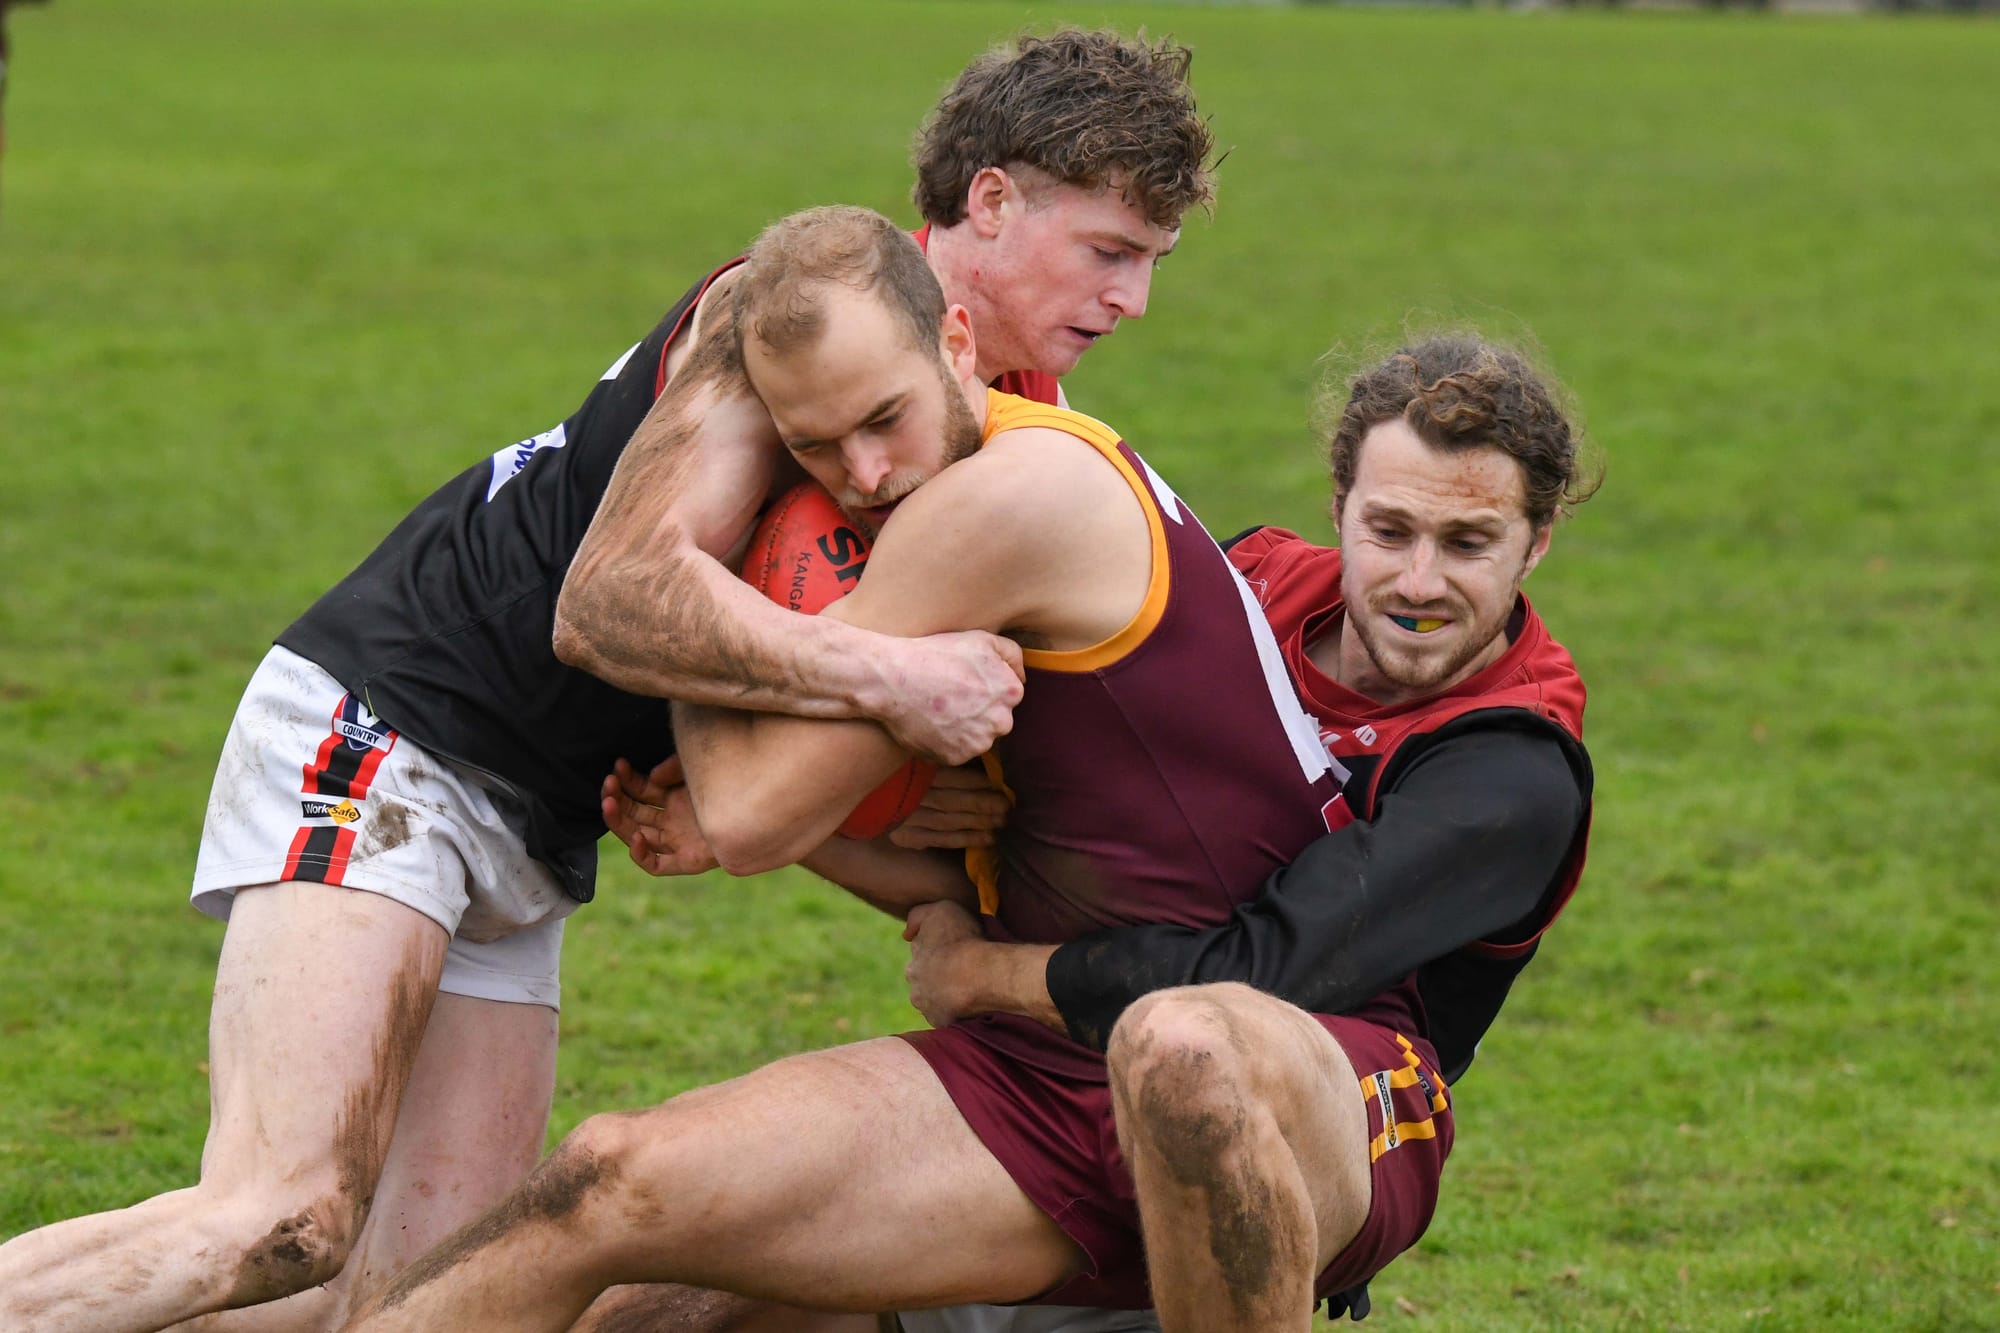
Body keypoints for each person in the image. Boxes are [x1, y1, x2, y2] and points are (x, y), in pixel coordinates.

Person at [0, 29, 1210, 1333]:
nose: (1134, 298)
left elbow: (789, 745)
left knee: (416, 1304)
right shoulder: (796, 315)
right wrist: (883, 673)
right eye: (1109, 250)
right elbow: (613, 597)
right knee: (279, 1216)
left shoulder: (1002, 416)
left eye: (1151, 260)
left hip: (532, 825)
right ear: (992, 201)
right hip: (393, 731)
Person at [333, 203, 1351, 1332]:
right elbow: (966, 881)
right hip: (1044, 1055)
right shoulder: (965, 482)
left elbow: (746, 813)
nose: (862, 473)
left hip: (1257, 1071)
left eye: (883, 419)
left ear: (957, 344)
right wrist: (810, 809)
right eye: (812, 445)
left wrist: (712, 561)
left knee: (596, 1210)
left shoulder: (1000, 499)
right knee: (615, 1218)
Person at [597, 332, 1600, 1329]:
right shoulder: (1251, 580)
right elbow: (1046, 782)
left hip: (1300, 1103)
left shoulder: (1511, 766)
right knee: (657, 1304)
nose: (1418, 582)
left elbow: (1261, 971)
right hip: (1060, 1061)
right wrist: (873, 808)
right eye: (1388, 530)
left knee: (1193, 1056)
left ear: (1537, 540)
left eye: (1466, 544)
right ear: (1338, 504)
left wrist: (980, 975)